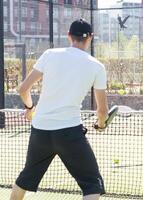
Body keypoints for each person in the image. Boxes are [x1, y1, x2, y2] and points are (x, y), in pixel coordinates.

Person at [10, 19, 107, 200]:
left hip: (40, 132)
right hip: (70, 134)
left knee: (24, 179)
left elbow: (23, 89)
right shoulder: (97, 66)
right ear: (90, 38)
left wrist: (30, 109)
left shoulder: (49, 54)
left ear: (69, 36)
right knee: (92, 185)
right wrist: (101, 125)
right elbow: (102, 111)